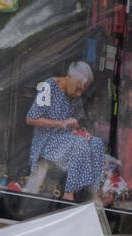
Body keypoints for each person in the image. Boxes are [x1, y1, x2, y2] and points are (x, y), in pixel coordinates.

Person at [25, 61, 105, 202]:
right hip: (46, 142)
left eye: (82, 91)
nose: (79, 93)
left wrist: (82, 130)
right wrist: (61, 123)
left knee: (96, 143)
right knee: (80, 144)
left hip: (66, 141)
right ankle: (69, 195)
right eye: (78, 88)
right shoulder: (49, 87)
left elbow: (79, 121)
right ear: (68, 77)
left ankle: (94, 196)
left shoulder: (75, 96)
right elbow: (31, 118)